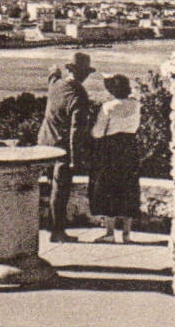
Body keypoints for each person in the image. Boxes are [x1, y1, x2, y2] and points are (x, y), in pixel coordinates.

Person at [37, 51, 95, 243]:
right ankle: (57, 231)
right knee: (59, 191)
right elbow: (76, 130)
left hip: (44, 143)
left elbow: (51, 74)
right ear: (84, 73)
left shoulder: (56, 84)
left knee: (48, 186)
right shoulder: (79, 94)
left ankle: (49, 227)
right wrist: (74, 159)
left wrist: (55, 71)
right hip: (62, 148)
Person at [88, 74, 141, 244]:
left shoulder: (108, 107)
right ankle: (127, 234)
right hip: (130, 147)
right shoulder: (136, 105)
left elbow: (98, 132)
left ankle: (110, 233)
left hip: (111, 150)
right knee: (129, 188)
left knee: (108, 188)